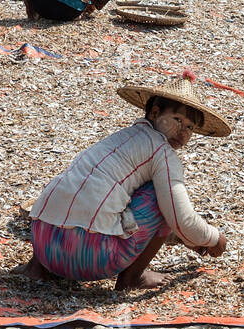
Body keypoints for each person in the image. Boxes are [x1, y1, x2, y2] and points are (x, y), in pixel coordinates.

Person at [15, 71, 229, 290]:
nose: (183, 132)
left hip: (42, 244)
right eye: (178, 120)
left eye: (190, 127)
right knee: (160, 196)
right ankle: (132, 277)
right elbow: (180, 219)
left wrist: (189, 239)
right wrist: (214, 238)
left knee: (79, 182)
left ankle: (37, 268)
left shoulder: (117, 140)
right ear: (154, 113)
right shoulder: (162, 153)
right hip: (86, 260)